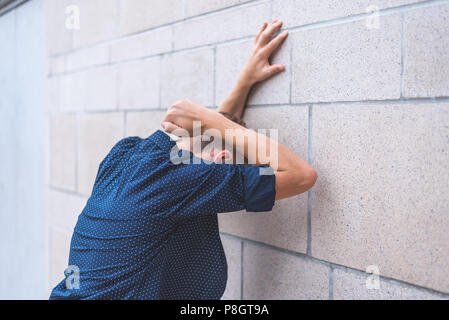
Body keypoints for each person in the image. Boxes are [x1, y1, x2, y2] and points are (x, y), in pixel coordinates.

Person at [49, 19, 317, 300]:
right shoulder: (172, 177)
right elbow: (301, 175)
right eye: (216, 159)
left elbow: (195, 153)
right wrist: (212, 120)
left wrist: (242, 85)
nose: (224, 155)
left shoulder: (123, 161)